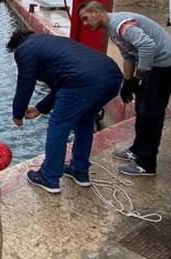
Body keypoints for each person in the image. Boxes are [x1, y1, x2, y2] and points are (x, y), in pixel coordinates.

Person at [7, 28, 122, 194]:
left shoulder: (25, 50)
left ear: (17, 45)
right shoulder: (50, 43)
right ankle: (79, 171)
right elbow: (64, 83)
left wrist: (17, 114)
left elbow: (25, 84)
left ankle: (49, 177)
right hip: (111, 76)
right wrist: (40, 108)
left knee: (58, 127)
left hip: (83, 81)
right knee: (84, 122)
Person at [77, 0, 171, 177]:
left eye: (86, 18)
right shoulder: (112, 30)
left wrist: (139, 77)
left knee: (151, 113)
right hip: (152, 66)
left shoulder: (121, 25)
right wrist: (127, 82)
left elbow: (148, 46)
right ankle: (137, 150)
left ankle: (146, 164)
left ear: (96, 12)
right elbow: (128, 56)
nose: (85, 24)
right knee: (141, 108)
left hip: (164, 65)